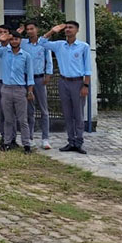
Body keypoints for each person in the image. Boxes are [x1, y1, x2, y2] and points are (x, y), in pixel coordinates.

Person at [39, 21, 92, 154]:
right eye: (66, 28)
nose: (68, 30)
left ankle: (79, 141)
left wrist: (86, 85)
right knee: (67, 113)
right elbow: (41, 42)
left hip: (78, 82)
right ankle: (71, 141)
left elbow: (88, 68)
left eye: (71, 27)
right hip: (63, 81)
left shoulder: (83, 46)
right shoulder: (59, 45)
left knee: (78, 114)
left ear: (77, 30)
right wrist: (52, 31)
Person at [0, 29, 34, 153]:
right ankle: (7, 142)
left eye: (16, 39)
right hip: (6, 89)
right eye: (12, 39)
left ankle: (26, 144)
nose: (14, 41)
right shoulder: (4, 52)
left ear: (20, 40)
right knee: (8, 119)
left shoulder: (26, 56)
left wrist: (30, 91)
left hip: (20, 90)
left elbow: (30, 75)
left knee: (22, 120)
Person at [18, 22, 54, 150]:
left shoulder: (43, 43)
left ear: (37, 29)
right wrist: (19, 31)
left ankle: (45, 138)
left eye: (32, 29)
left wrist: (48, 74)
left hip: (39, 79)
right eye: (27, 29)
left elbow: (49, 60)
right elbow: (12, 40)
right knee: (29, 110)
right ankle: (30, 137)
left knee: (44, 110)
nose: (29, 31)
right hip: (26, 79)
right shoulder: (23, 43)